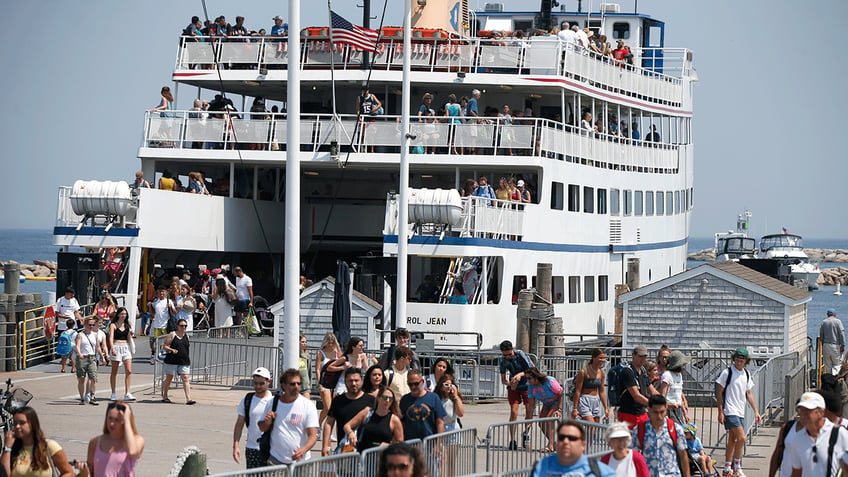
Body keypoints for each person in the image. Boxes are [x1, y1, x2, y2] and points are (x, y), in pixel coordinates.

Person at [258, 369, 319, 465]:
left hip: (301, 462)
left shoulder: (308, 405)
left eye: (298, 384)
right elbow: (262, 427)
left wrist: (303, 450)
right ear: (283, 385)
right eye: (292, 384)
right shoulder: (272, 403)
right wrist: (267, 422)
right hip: (275, 460)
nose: (296, 387)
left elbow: (313, 435)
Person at [716, 347, 760, 477]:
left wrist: (756, 411)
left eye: (741, 361)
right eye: (737, 360)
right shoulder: (727, 372)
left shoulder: (746, 374)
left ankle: (726, 468)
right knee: (742, 438)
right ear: (733, 359)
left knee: (733, 440)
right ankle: (737, 466)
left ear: (746, 361)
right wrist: (720, 411)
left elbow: (749, 393)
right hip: (730, 410)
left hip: (740, 410)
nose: (739, 363)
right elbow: (719, 391)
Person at [783, 391, 848, 476]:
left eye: (808, 411)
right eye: (801, 410)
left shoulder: (840, 434)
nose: (803, 415)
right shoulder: (797, 439)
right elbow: (796, 472)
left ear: (821, 412)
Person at [1, 407, 76, 477]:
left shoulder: (49, 446)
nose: (17, 427)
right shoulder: (13, 448)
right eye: (15, 423)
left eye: (22, 423)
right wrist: (7, 448)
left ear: (33, 424)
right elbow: (4, 475)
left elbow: (68, 472)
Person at [79, 401, 144, 477]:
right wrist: (84, 473)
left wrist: (126, 419)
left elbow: (132, 452)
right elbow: (91, 473)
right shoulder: (95, 442)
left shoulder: (137, 440)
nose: (111, 424)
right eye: (110, 418)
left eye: (117, 420)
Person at [530, 419, 615, 477]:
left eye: (572, 438)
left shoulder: (601, 472)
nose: (566, 442)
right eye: (561, 437)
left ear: (583, 444)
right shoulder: (541, 467)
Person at [631, 395, 690, 477]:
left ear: (666, 408)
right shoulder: (639, 430)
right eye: (655, 412)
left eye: (662, 412)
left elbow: (683, 455)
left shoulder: (675, 429)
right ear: (649, 409)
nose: (659, 416)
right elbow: (633, 456)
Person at [322, 368, 375, 455]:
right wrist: (325, 446)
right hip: (344, 450)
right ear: (345, 382)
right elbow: (329, 423)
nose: (353, 384)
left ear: (362, 381)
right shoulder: (338, 400)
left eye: (356, 380)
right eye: (350, 381)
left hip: (366, 451)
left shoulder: (371, 401)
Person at [233, 367, 275, 469]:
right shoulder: (247, 399)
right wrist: (236, 445)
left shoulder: (274, 401)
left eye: (261, 383)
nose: (257, 386)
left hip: (271, 449)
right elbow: (239, 424)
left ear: (269, 382)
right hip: (252, 448)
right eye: (255, 383)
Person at [499, 340, 535, 450]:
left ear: (513, 349)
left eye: (510, 354)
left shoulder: (520, 355)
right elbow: (503, 380)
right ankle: (512, 439)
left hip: (527, 385)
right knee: (514, 412)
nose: (508, 357)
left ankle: (526, 433)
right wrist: (511, 383)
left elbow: (531, 370)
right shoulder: (503, 361)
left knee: (529, 410)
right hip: (515, 387)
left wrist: (520, 374)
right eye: (505, 355)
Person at [345, 386, 404, 452]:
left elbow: (400, 442)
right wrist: (351, 433)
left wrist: (389, 445)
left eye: (390, 399)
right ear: (378, 398)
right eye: (384, 397)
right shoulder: (367, 412)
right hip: (363, 456)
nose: (387, 401)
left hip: (382, 458)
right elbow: (347, 426)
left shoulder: (394, 419)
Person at [400, 370, 446, 440]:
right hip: (410, 443)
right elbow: (401, 423)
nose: (413, 387)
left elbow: (440, 422)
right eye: (410, 384)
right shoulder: (404, 399)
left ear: (422, 382)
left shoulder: (433, 398)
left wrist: (438, 443)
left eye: (416, 384)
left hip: (430, 442)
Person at [617, 346, 656, 429]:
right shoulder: (628, 371)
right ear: (633, 355)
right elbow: (636, 396)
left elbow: (652, 390)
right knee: (630, 440)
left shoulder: (643, 370)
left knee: (644, 439)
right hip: (628, 413)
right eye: (640, 356)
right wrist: (654, 405)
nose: (643, 359)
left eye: (644, 356)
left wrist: (663, 401)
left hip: (641, 412)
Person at [526, 367, 563, 452]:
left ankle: (550, 446)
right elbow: (531, 406)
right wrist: (529, 420)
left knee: (549, 419)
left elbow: (561, 393)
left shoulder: (549, 381)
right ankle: (552, 443)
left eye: (529, 378)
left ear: (536, 377)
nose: (528, 380)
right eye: (526, 378)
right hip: (546, 403)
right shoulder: (530, 387)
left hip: (556, 401)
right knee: (541, 423)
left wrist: (560, 409)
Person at [435, 374, 464, 476]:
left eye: (451, 385)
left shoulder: (454, 398)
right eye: (446, 384)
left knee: (451, 462)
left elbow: (461, 413)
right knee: (441, 460)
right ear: (441, 386)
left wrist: (455, 396)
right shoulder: (436, 398)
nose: (449, 387)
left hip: (453, 429)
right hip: (440, 429)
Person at [161, 318, 195, 405]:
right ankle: (165, 395)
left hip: (184, 360)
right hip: (172, 360)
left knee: (185, 378)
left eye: (185, 326)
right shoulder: (172, 335)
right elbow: (165, 346)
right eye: (182, 326)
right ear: (177, 326)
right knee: (169, 377)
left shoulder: (186, 336)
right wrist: (171, 349)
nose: (184, 327)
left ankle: (188, 398)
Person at [76, 317, 108, 405]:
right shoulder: (80, 335)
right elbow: (78, 346)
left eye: (93, 325)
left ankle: (92, 396)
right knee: (81, 379)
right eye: (89, 325)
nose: (91, 326)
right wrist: (79, 353)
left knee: (93, 378)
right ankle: (82, 398)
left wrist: (103, 357)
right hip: (82, 358)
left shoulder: (95, 335)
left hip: (92, 358)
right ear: (85, 325)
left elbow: (97, 347)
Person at [572, 348, 609, 423]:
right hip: (584, 400)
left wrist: (606, 408)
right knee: (592, 426)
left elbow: (601, 392)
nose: (602, 360)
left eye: (604, 358)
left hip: (596, 400)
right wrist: (574, 408)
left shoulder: (602, 373)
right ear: (593, 357)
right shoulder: (583, 372)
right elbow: (578, 391)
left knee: (595, 428)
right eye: (600, 358)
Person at [107, 307, 135, 402]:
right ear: (118, 314)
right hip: (116, 345)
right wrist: (112, 348)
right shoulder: (113, 325)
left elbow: (129, 336)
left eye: (125, 314)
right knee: (114, 371)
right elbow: (111, 337)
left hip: (126, 346)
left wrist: (131, 333)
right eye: (122, 314)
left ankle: (127, 392)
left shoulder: (127, 325)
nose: (124, 315)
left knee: (129, 370)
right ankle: (113, 392)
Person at [316, 332, 343, 425]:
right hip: (325, 382)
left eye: (332, 342)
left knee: (334, 408)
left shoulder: (337, 353)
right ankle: (318, 425)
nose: (330, 344)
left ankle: (329, 429)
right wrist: (320, 384)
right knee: (327, 407)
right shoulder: (320, 353)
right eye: (329, 342)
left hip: (335, 382)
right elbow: (317, 369)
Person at [659, 350, 690, 425]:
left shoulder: (679, 375)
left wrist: (685, 413)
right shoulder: (667, 375)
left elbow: (678, 395)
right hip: (669, 409)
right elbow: (662, 396)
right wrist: (665, 411)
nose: (683, 366)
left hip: (678, 409)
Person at [147, 287, 176, 365]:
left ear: (166, 292)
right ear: (158, 293)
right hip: (156, 325)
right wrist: (149, 306)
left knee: (163, 342)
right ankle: (153, 353)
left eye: (163, 292)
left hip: (165, 325)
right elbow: (152, 314)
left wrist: (170, 307)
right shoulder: (155, 301)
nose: (162, 293)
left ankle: (159, 357)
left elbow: (175, 312)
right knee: (152, 341)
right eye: (160, 292)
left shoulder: (169, 301)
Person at [820, 308, 844, 375]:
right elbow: (841, 334)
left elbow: (821, 335)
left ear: (827, 314)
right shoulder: (838, 322)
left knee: (828, 366)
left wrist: (823, 343)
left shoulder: (824, 322)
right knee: (837, 364)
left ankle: (829, 381)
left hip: (826, 345)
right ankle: (835, 379)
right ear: (834, 314)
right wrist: (843, 345)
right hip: (835, 346)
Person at [298, 334, 312, 399]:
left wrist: (309, 383)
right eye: (302, 342)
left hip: (305, 385)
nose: (304, 343)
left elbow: (309, 370)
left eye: (305, 342)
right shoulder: (293, 354)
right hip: (296, 385)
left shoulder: (307, 356)